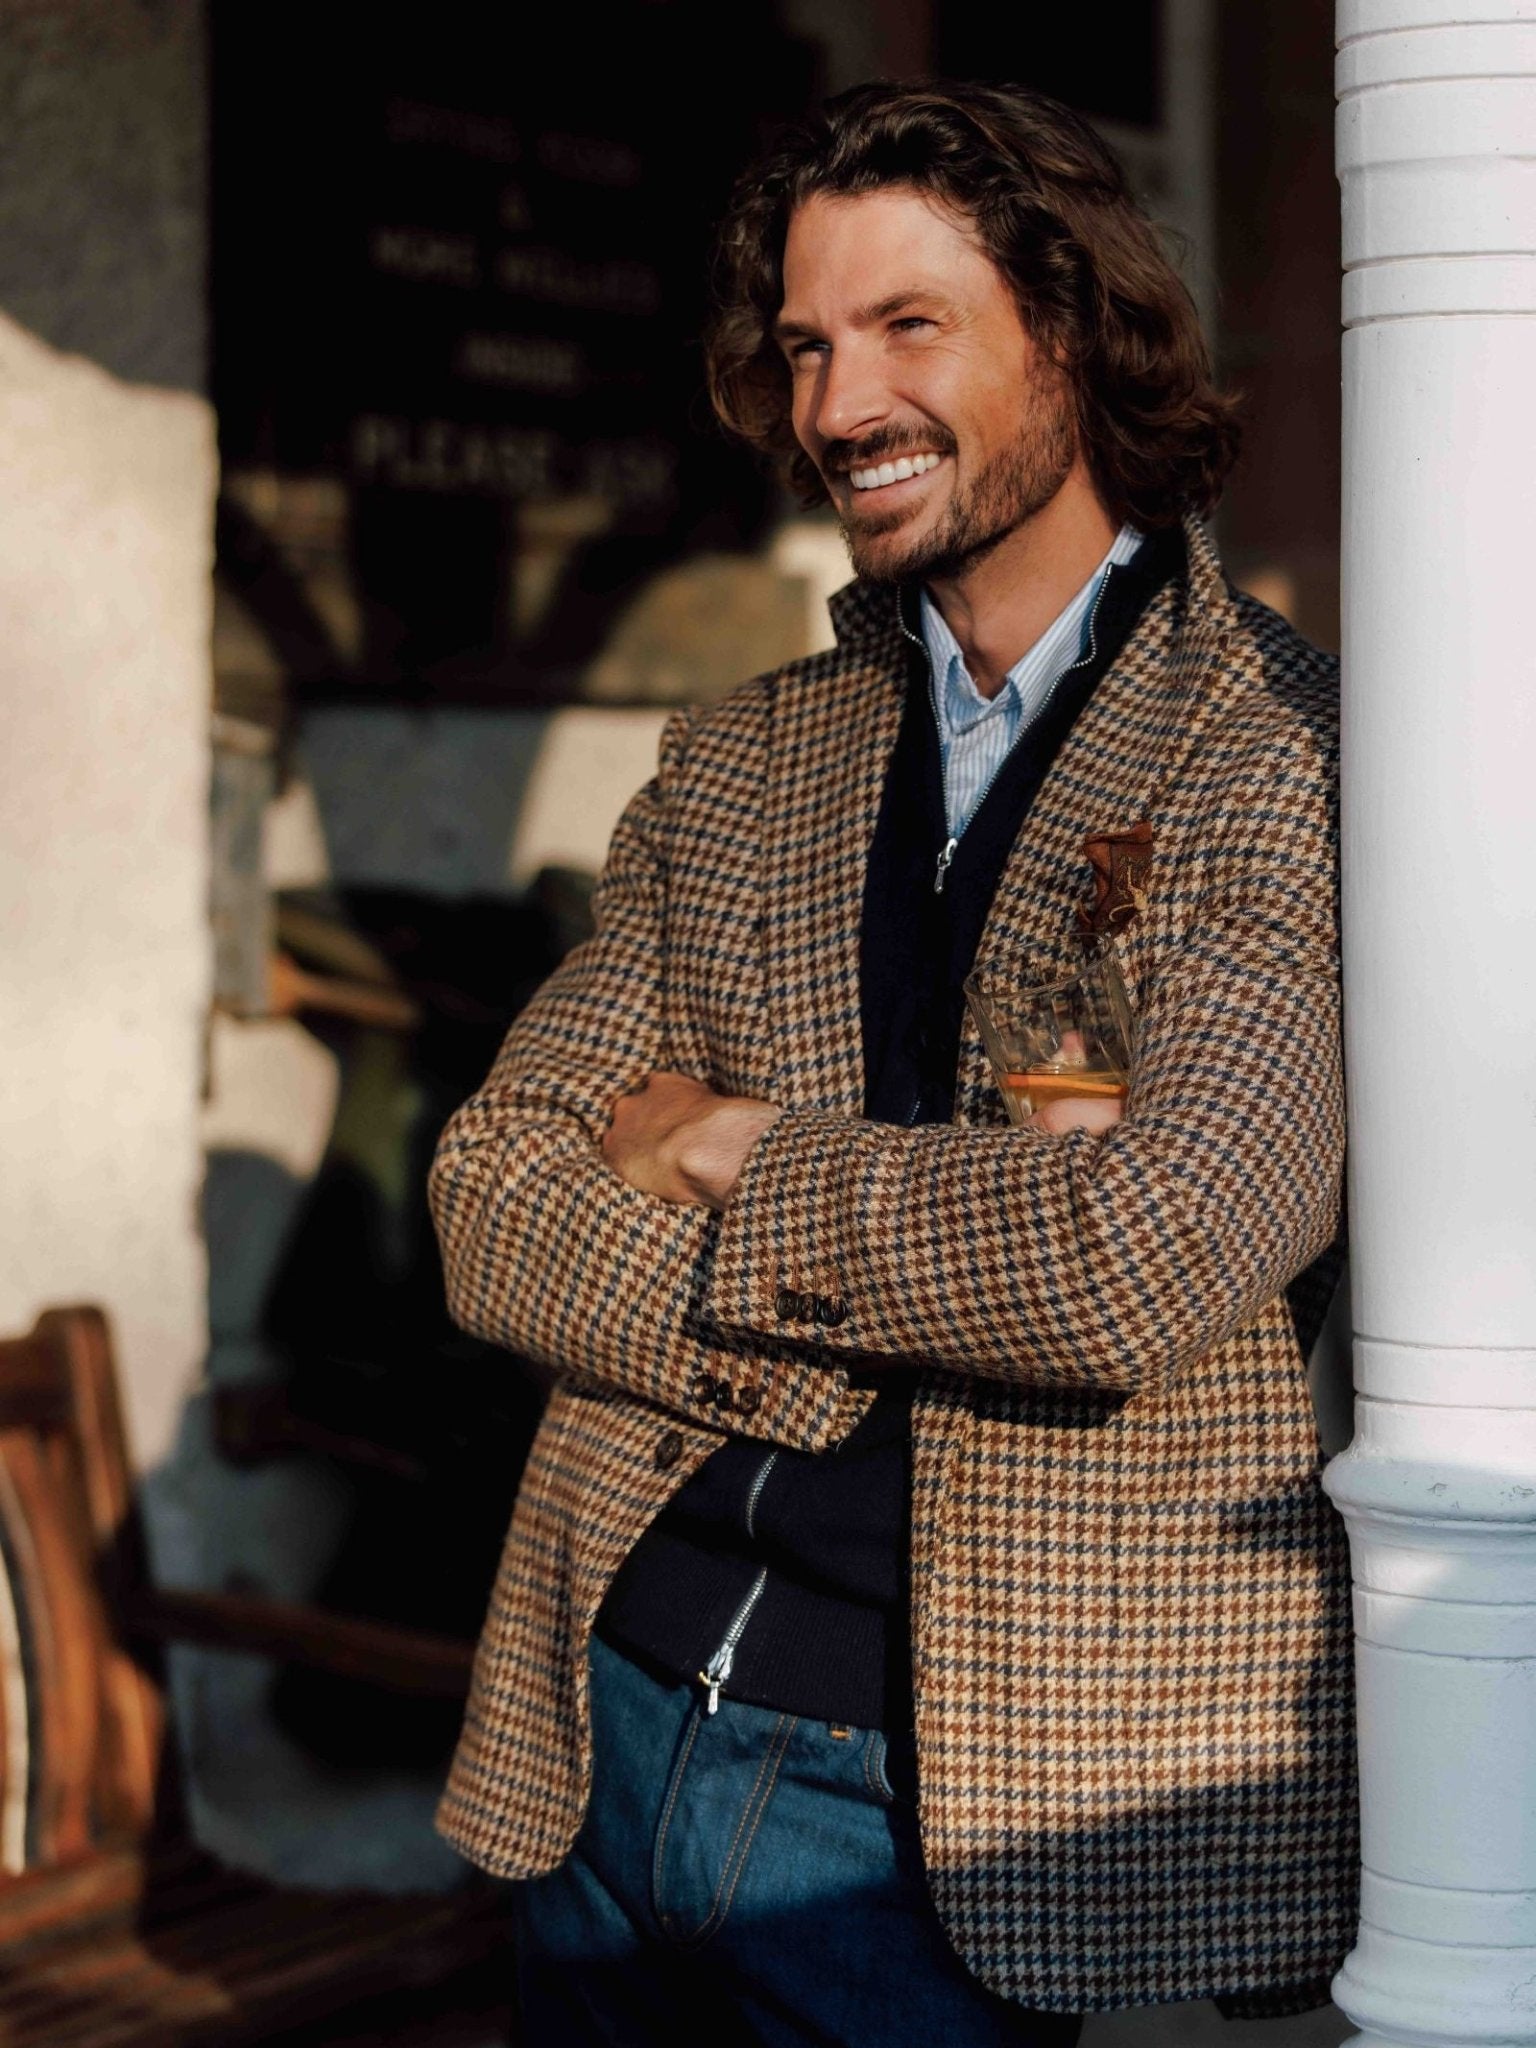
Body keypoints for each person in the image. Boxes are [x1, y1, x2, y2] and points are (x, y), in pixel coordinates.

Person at [430, 80, 1355, 2043]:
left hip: (945, 1804)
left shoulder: (1276, 748)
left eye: (908, 327)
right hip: (604, 1717)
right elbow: (493, 1191)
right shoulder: (743, 754)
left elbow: (1141, 1255)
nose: (841, 405)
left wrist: (736, 1153)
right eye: (805, 345)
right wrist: (906, 1293)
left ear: (1073, 328)